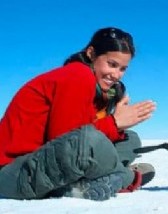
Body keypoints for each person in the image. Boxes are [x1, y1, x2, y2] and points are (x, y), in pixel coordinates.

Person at [0, 27, 157, 201]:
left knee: (129, 139)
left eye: (122, 69)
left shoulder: (91, 85)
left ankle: (93, 180)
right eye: (112, 64)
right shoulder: (78, 75)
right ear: (91, 53)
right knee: (90, 141)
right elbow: (71, 140)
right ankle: (125, 177)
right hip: (14, 173)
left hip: (42, 164)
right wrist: (114, 122)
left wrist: (115, 124)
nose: (116, 75)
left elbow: (77, 139)